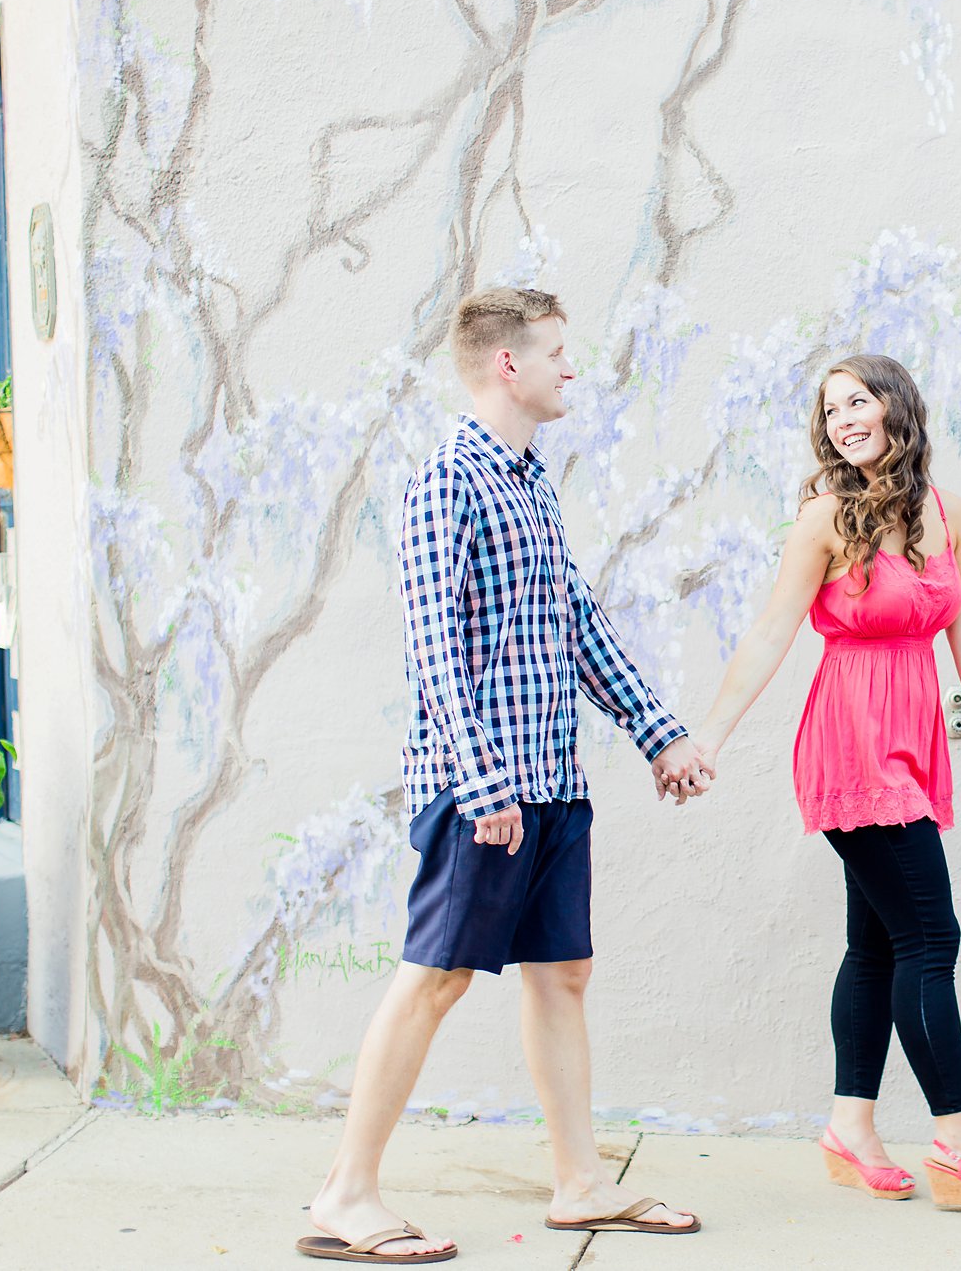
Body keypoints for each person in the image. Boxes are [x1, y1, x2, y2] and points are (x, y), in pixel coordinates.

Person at [299, 288, 715, 1264]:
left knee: (562, 974)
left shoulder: (531, 481)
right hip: (480, 791)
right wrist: (484, 782)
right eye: (559, 353)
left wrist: (661, 735)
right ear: (506, 365)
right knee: (435, 977)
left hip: (551, 782)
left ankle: (579, 1183)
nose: (574, 369)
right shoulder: (447, 480)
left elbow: (576, 625)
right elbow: (432, 648)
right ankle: (345, 1192)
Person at [694, 353, 961, 1212]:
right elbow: (774, 632)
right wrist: (708, 737)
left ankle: (850, 1127)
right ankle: (959, 1140)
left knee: (880, 943)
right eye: (829, 408)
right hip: (852, 739)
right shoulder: (825, 518)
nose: (843, 418)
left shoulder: (946, 512)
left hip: (915, 736)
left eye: (857, 400)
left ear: (895, 406)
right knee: (933, 937)